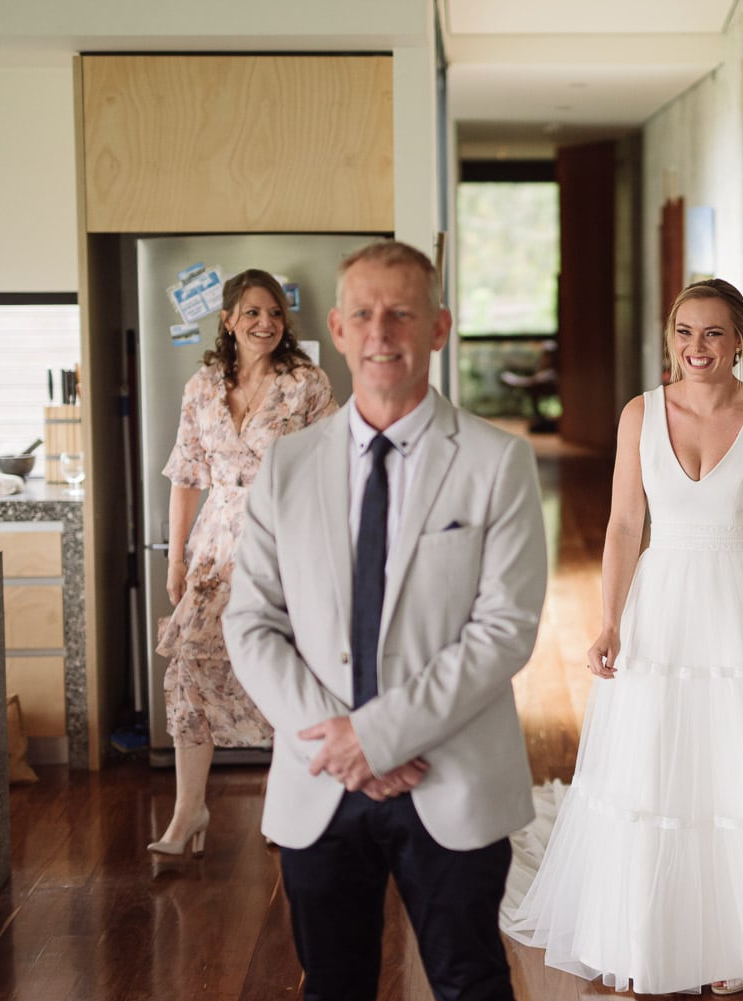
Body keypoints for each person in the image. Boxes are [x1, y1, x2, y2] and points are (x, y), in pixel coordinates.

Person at [502, 279, 743, 995]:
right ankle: (652, 930)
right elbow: (622, 524)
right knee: (656, 761)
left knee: (740, 763)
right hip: (663, 602)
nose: (697, 348)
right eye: (685, 332)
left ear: (740, 338)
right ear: (670, 335)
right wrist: (611, 618)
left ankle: (741, 941)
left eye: (713, 333)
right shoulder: (639, 413)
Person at [223, 240, 548, 1001]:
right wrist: (343, 745)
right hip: (319, 783)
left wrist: (378, 736)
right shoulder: (288, 464)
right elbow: (252, 622)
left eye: (401, 313)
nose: (381, 332)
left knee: (471, 981)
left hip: (453, 777)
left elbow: (504, 628)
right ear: (335, 328)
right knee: (333, 986)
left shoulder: (497, 461)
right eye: (364, 314)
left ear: (437, 326)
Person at [149, 268, 338, 856]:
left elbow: (336, 469)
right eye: (253, 313)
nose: (266, 323)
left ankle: (290, 811)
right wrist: (175, 559)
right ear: (228, 320)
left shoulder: (306, 383)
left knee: (286, 674)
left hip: (286, 543)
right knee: (189, 674)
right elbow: (185, 478)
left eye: (276, 313)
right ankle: (188, 813)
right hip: (213, 550)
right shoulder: (201, 388)